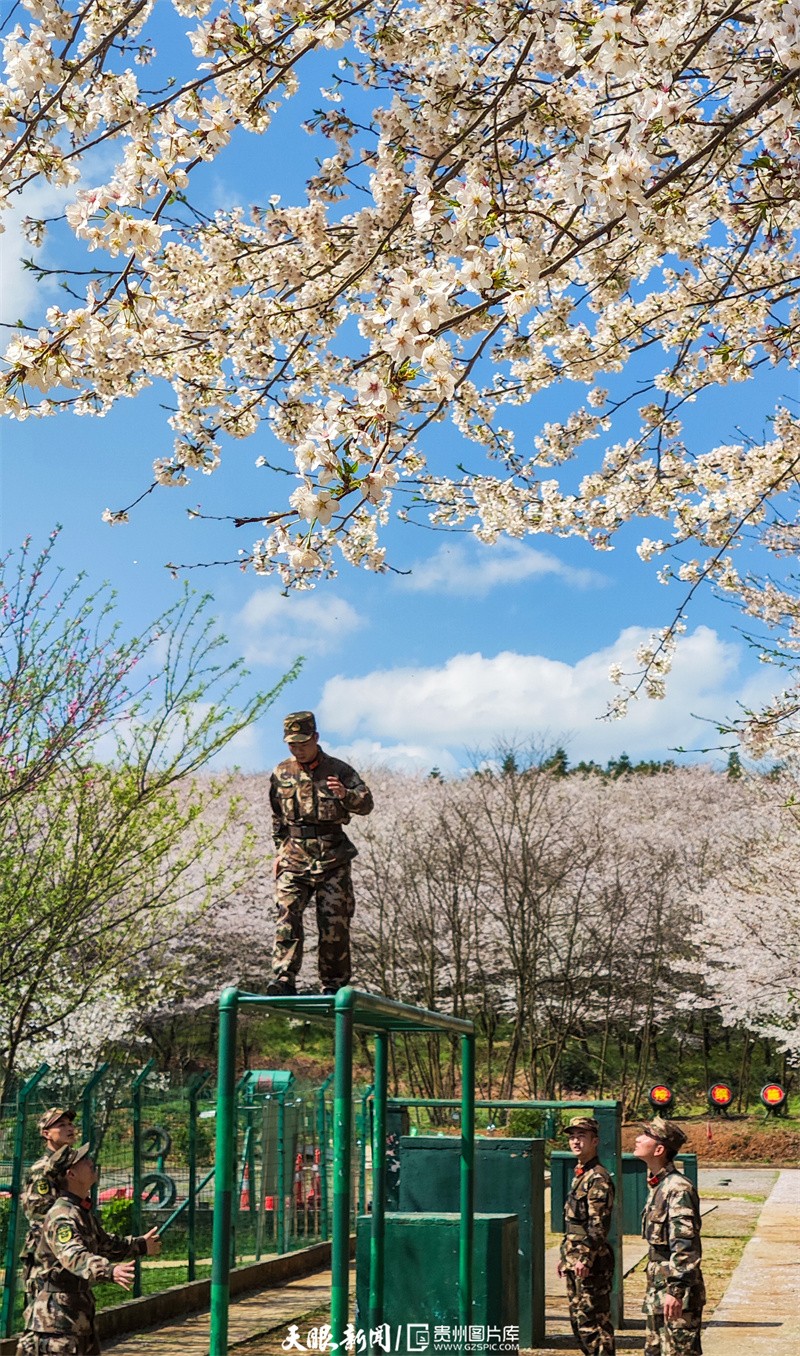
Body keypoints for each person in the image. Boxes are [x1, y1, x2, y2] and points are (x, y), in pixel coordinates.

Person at [16, 1142, 161, 1356]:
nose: (91, 1162)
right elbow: (73, 1255)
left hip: (77, 1318)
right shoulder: (62, 1215)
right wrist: (109, 1271)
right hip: (55, 1323)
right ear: (71, 1174)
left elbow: (104, 1243)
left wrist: (140, 1245)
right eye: (83, 1160)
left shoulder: (79, 1211)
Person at [267, 710, 374, 995]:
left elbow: (366, 804)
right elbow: (277, 816)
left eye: (302, 742)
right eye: (292, 744)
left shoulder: (339, 770)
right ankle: (283, 979)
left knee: (333, 923)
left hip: (332, 857)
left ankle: (333, 984)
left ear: (315, 737)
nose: (298, 749)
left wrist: (345, 796)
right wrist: (279, 851)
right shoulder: (281, 773)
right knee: (287, 915)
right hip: (294, 857)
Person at [634, 1117, 705, 1356]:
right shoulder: (659, 1185)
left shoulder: (677, 1188)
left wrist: (675, 1291)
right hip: (659, 1285)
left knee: (679, 1351)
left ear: (659, 1149)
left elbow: (685, 1244)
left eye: (645, 1135)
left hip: (675, 1290)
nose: (637, 1139)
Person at [557, 1115, 616, 1356]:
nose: (575, 1142)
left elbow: (597, 1224)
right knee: (579, 1322)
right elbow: (574, 1224)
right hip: (575, 1258)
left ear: (595, 1141)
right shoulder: (581, 1174)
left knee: (594, 1324)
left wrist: (585, 1257)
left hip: (590, 1262)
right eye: (572, 1137)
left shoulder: (598, 1177)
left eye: (581, 1136)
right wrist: (565, 1256)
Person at [19, 1108, 79, 1307]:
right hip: (46, 1253)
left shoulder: (70, 1162)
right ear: (46, 1134)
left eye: (69, 1124)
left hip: (68, 1245)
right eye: (61, 1125)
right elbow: (38, 1213)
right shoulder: (43, 1169)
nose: (69, 1128)